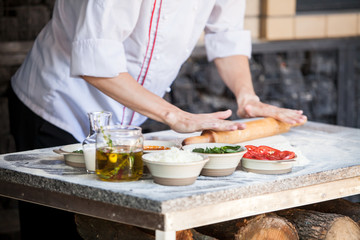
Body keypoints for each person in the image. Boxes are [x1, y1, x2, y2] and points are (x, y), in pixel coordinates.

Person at [8, 0, 307, 239]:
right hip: (61, 104)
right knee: (59, 227)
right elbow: (94, 62)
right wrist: (172, 114)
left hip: (129, 120)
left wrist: (248, 97)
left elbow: (227, 35)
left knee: (106, 227)